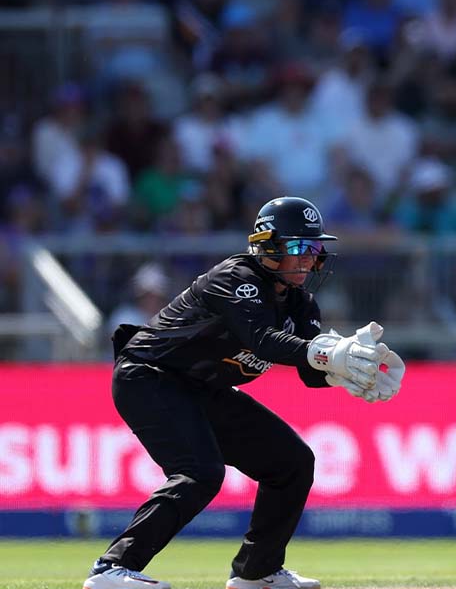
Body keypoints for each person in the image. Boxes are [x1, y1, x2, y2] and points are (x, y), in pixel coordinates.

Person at [83, 196, 405, 589]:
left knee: (292, 462)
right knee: (199, 473)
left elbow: (309, 372)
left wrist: (350, 374)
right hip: (150, 377)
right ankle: (111, 569)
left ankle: (257, 571)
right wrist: (326, 353)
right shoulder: (236, 277)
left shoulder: (302, 304)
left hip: (204, 387)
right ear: (268, 246)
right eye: (299, 247)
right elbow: (263, 340)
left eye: (314, 248)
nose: (309, 258)